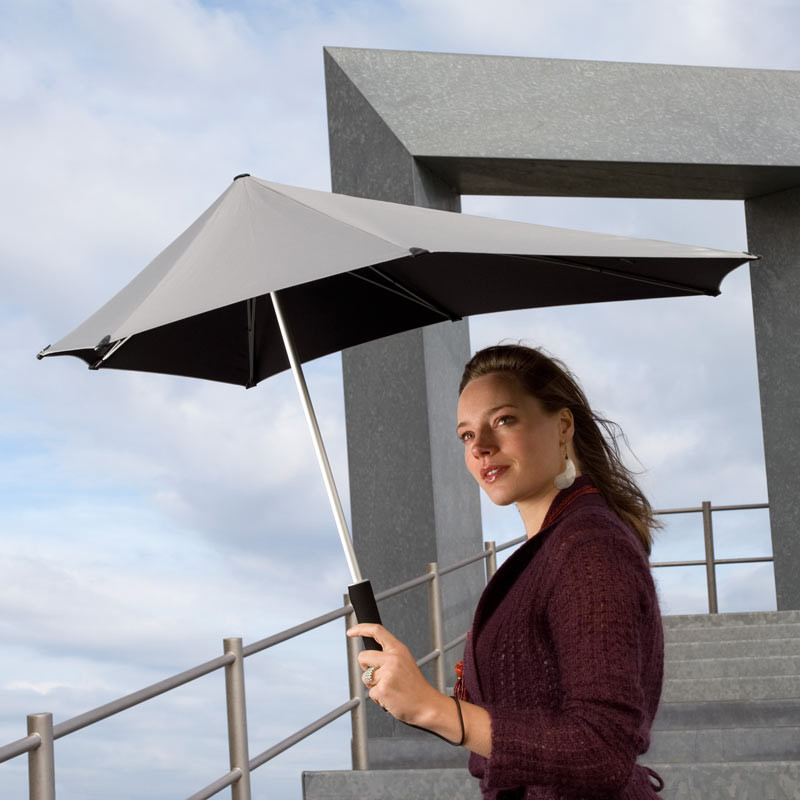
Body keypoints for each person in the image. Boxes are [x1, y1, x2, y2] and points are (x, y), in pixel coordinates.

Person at [348, 344, 665, 799]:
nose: (481, 447)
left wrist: (436, 710)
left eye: (503, 420)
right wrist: (413, 695)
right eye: (465, 435)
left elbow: (602, 748)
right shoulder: (554, 546)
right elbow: (527, 710)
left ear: (562, 426)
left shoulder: (589, 548)